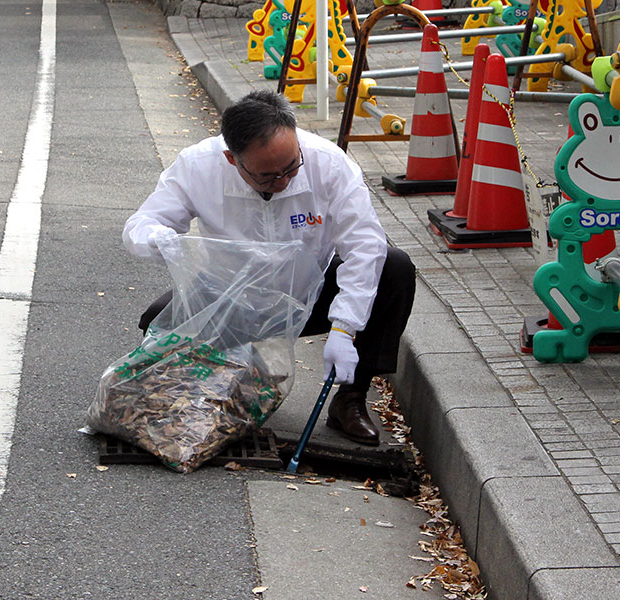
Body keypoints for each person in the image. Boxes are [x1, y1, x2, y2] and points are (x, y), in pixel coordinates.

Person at [123, 90, 415, 446]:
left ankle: (350, 400)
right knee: (157, 319)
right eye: (268, 176)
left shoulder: (328, 164)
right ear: (233, 159)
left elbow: (364, 246)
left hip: (306, 297)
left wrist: (344, 327)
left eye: (291, 167)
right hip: (229, 297)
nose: (283, 180)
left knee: (394, 268)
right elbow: (142, 223)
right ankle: (206, 390)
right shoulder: (198, 165)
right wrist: (162, 240)